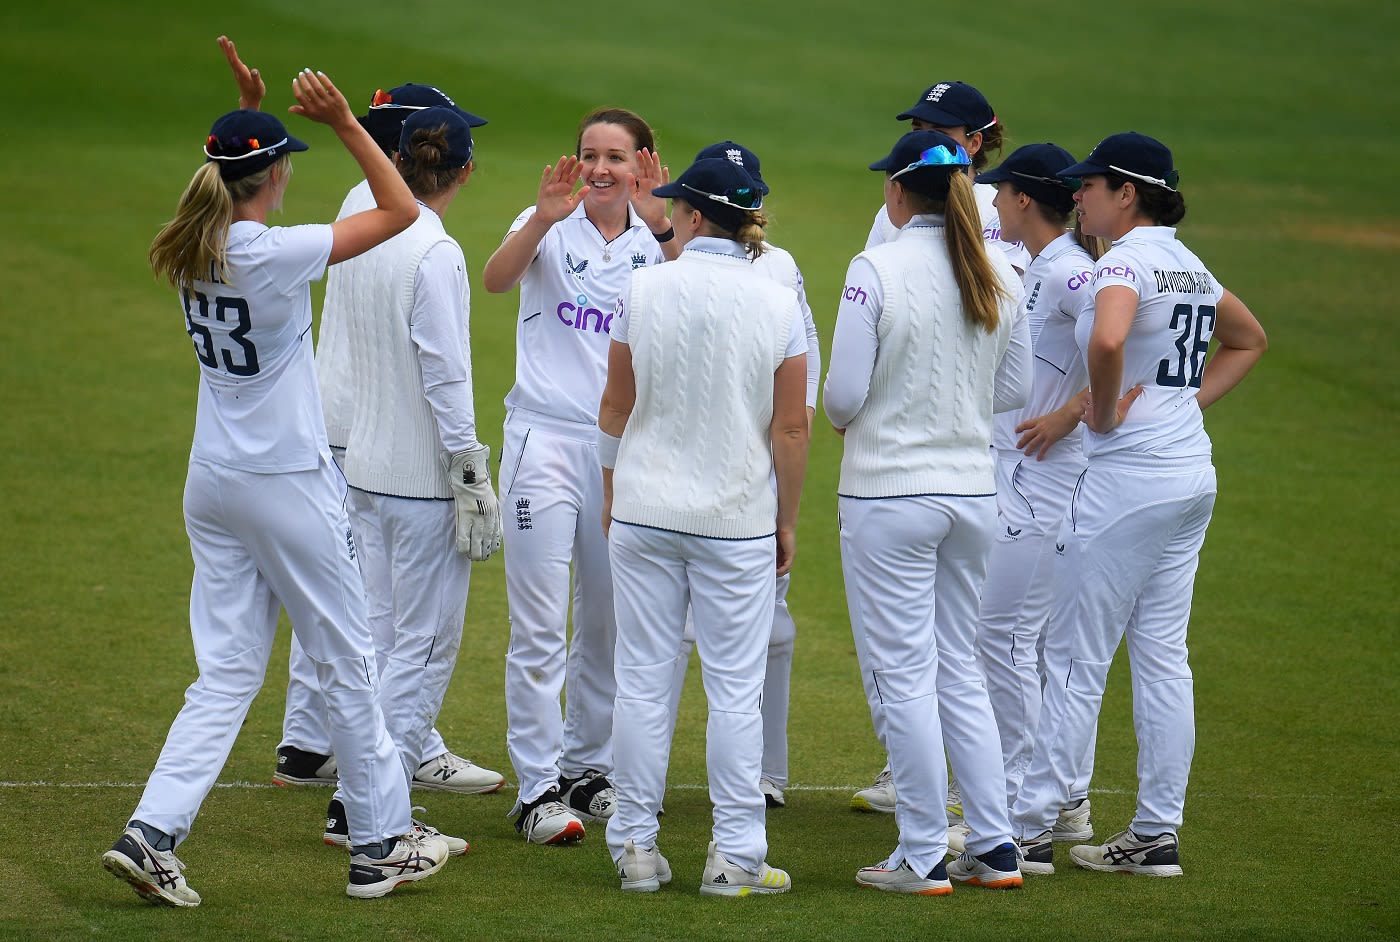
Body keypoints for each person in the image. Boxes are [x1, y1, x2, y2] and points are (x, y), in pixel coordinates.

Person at [101, 50, 449, 907]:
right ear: (275, 174)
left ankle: (151, 832)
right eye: (285, 157)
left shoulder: (196, 241)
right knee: (349, 662)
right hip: (287, 482)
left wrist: (245, 112)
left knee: (222, 675)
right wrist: (347, 126)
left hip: (213, 480)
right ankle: (379, 848)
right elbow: (401, 210)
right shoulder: (271, 251)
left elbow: (218, 175)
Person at [1008, 132, 1267, 877]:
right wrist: (1181, 405)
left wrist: (1110, 415)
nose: (1079, 195)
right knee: (1162, 657)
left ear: (1129, 194)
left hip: (1128, 484)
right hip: (1188, 479)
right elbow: (1248, 340)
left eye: (1091, 185)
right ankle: (1155, 832)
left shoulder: (1123, 262)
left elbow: (1112, 335)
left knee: (1073, 656)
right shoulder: (1189, 263)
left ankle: (1027, 831)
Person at [271, 76, 505, 797]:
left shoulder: (368, 216)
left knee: (373, 635)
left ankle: (358, 786)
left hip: (366, 464)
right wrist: (470, 470)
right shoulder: (435, 252)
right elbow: (446, 374)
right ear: (463, 170)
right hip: (418, 480)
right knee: (424, 650)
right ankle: (370, 805)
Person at [824, 130, 1028, 894]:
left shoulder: (875, 266)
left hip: (888, 495)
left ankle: (919, 852)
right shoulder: (999, 266)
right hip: (971, 493)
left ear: (900, 193)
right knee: (958, 670)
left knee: (905, 673)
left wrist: (874, 411)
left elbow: (842, 394)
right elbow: (1013, 389)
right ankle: (996, 843)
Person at [598, 157, 809, 895]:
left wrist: (611, 490)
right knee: (734, 692)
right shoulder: (778, 301)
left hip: (646, 512)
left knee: (643, 684)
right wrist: (786, 521)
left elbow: (615, 410)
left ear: (690, 216)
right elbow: (792, 429)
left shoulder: (641, 287)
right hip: (737, 521)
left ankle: (634, 849)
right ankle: (735, 857)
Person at [482, 108, 677, 844]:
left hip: (620, 452)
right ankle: (536, 791)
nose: (601, 168)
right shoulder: (547, 226)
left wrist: (661, 228)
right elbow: (497, 280)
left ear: (645, 166)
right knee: (537, 625)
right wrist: (539, 219)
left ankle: (585, 767)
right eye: (590, 154)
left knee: (606, 619)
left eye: (617, 157)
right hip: (543, 442)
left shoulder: (661, 241)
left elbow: (695, 304)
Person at [954, 144, 1106, 853]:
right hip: (1024, 474)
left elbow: (1127, 339)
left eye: (1001, 190)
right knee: (1023, 643)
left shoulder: (1074, 273)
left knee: (1005, 639)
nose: (993, 200)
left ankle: (1024, 814)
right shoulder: (1046, 268)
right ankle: (1058, 800)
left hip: (1050, 478)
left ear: (1023, 200)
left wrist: (1072, 411)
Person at [664, 140, 820, 810]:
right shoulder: (667, 260)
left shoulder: (780, 269)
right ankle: (640, 785)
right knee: (669, 633)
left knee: (764, 628)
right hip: (690, 470)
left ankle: (764, 773)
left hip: (746, 473)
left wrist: (781, 471)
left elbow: (802, 383)